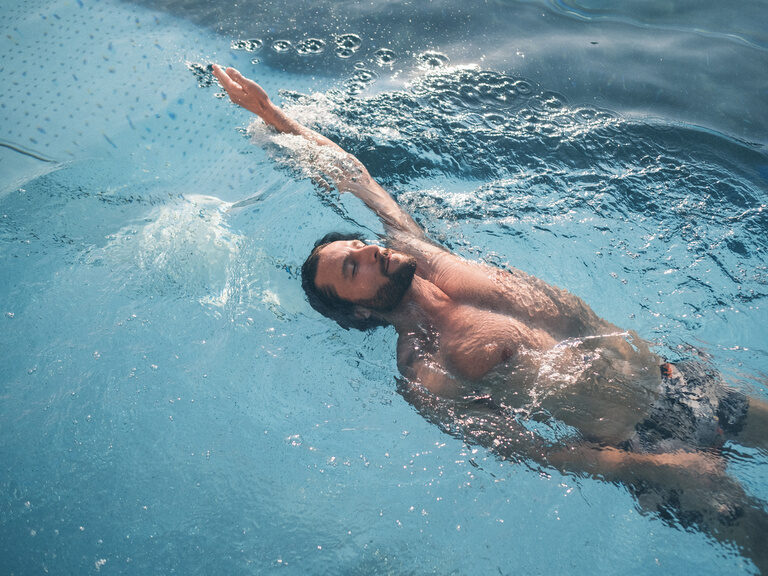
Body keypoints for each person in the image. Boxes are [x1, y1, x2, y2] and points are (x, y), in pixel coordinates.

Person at [211, 64, 768, 569]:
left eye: (357, 246)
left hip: (675, 379)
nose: (370, 251)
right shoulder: (425, 371)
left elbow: (351, 176)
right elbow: (535, 450)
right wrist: (659, 471)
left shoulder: (424, 252)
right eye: (354, 268)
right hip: (650, 449)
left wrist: (271, 114)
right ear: (357, 309)